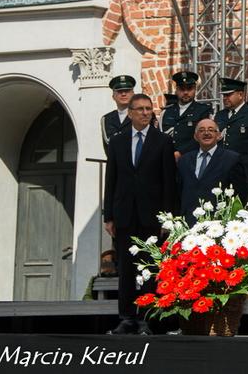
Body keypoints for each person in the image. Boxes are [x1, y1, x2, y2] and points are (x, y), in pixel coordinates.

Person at [103, 93, 177, 335]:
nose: (145, 113)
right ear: (131, 113)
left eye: (148, 109)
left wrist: (167, 217)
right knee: (126, 269)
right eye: (140, 109)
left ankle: (147, 319)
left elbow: (169, 182)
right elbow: (111, 179)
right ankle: (126, 318)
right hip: (125, 215)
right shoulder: (118, 141)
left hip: (152, 216)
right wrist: (108, 216)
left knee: (150, 268)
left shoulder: (163, 141)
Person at [177, 118, 247, 226]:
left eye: (211, 130)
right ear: (195, 136)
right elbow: (178, 191)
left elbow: (240, 194)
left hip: (218, 222)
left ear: (218, 135)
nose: (206, 133)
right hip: (188, 221)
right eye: (201, 130)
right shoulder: (184, 160)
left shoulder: (232, 159)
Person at [159, 71, 212, 160]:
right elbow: (160, 136)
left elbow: (203, 137)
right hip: (167, 158)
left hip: (192, 158)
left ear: (195, 89)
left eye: (189, 88)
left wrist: (180, 153)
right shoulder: (167, 112)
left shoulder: (203, 111)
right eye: (182, 89)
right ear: (176, 90)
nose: (186, 92)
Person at [213, 77, 248, 169]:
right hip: (221, 164)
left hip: (242, 165)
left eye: (228, 95)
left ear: (240, 95)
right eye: (224, 95)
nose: (225, 98)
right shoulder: (220, 115)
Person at [101, 75, 135, 153]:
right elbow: (107, 146)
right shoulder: (106, 119)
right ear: (113, 96)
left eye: (127, 91)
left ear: (133, 94)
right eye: (119, 91)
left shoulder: (142, 115)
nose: (123, 94)